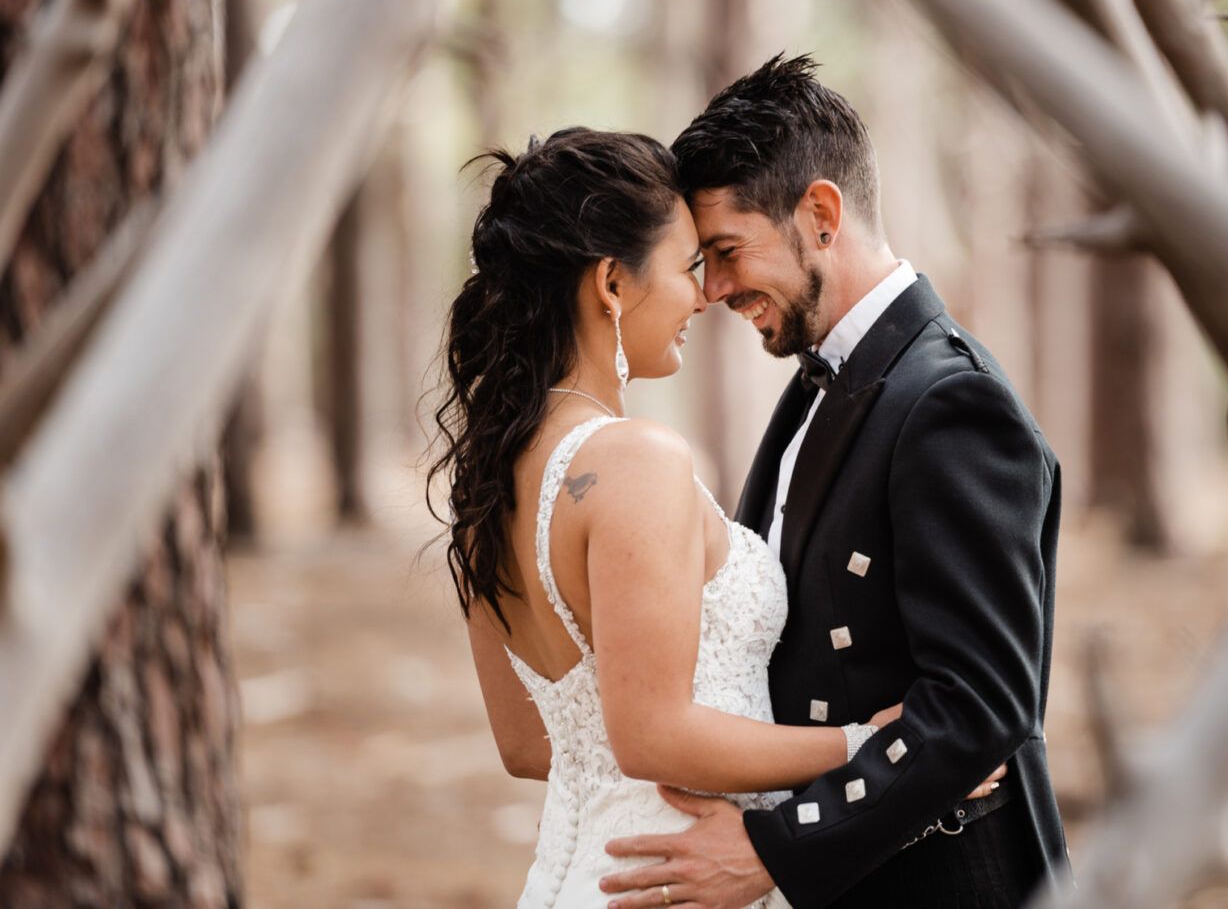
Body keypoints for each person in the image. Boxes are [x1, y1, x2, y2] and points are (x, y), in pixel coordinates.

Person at [427, 127, 999, 909]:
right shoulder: (637, 461)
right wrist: (870, 744)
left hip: (581, 874)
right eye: (686, 268)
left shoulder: (490, 485)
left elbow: (530, 746)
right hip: (670, 881)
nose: (705, 295)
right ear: (611, 286)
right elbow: (652, 735)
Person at [599, 55, 1070, 909]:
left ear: (820, 214)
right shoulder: (820, 387)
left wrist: (778, 850)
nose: (713, 290)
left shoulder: (949, 402)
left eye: (727, 251)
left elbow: (979, 709)